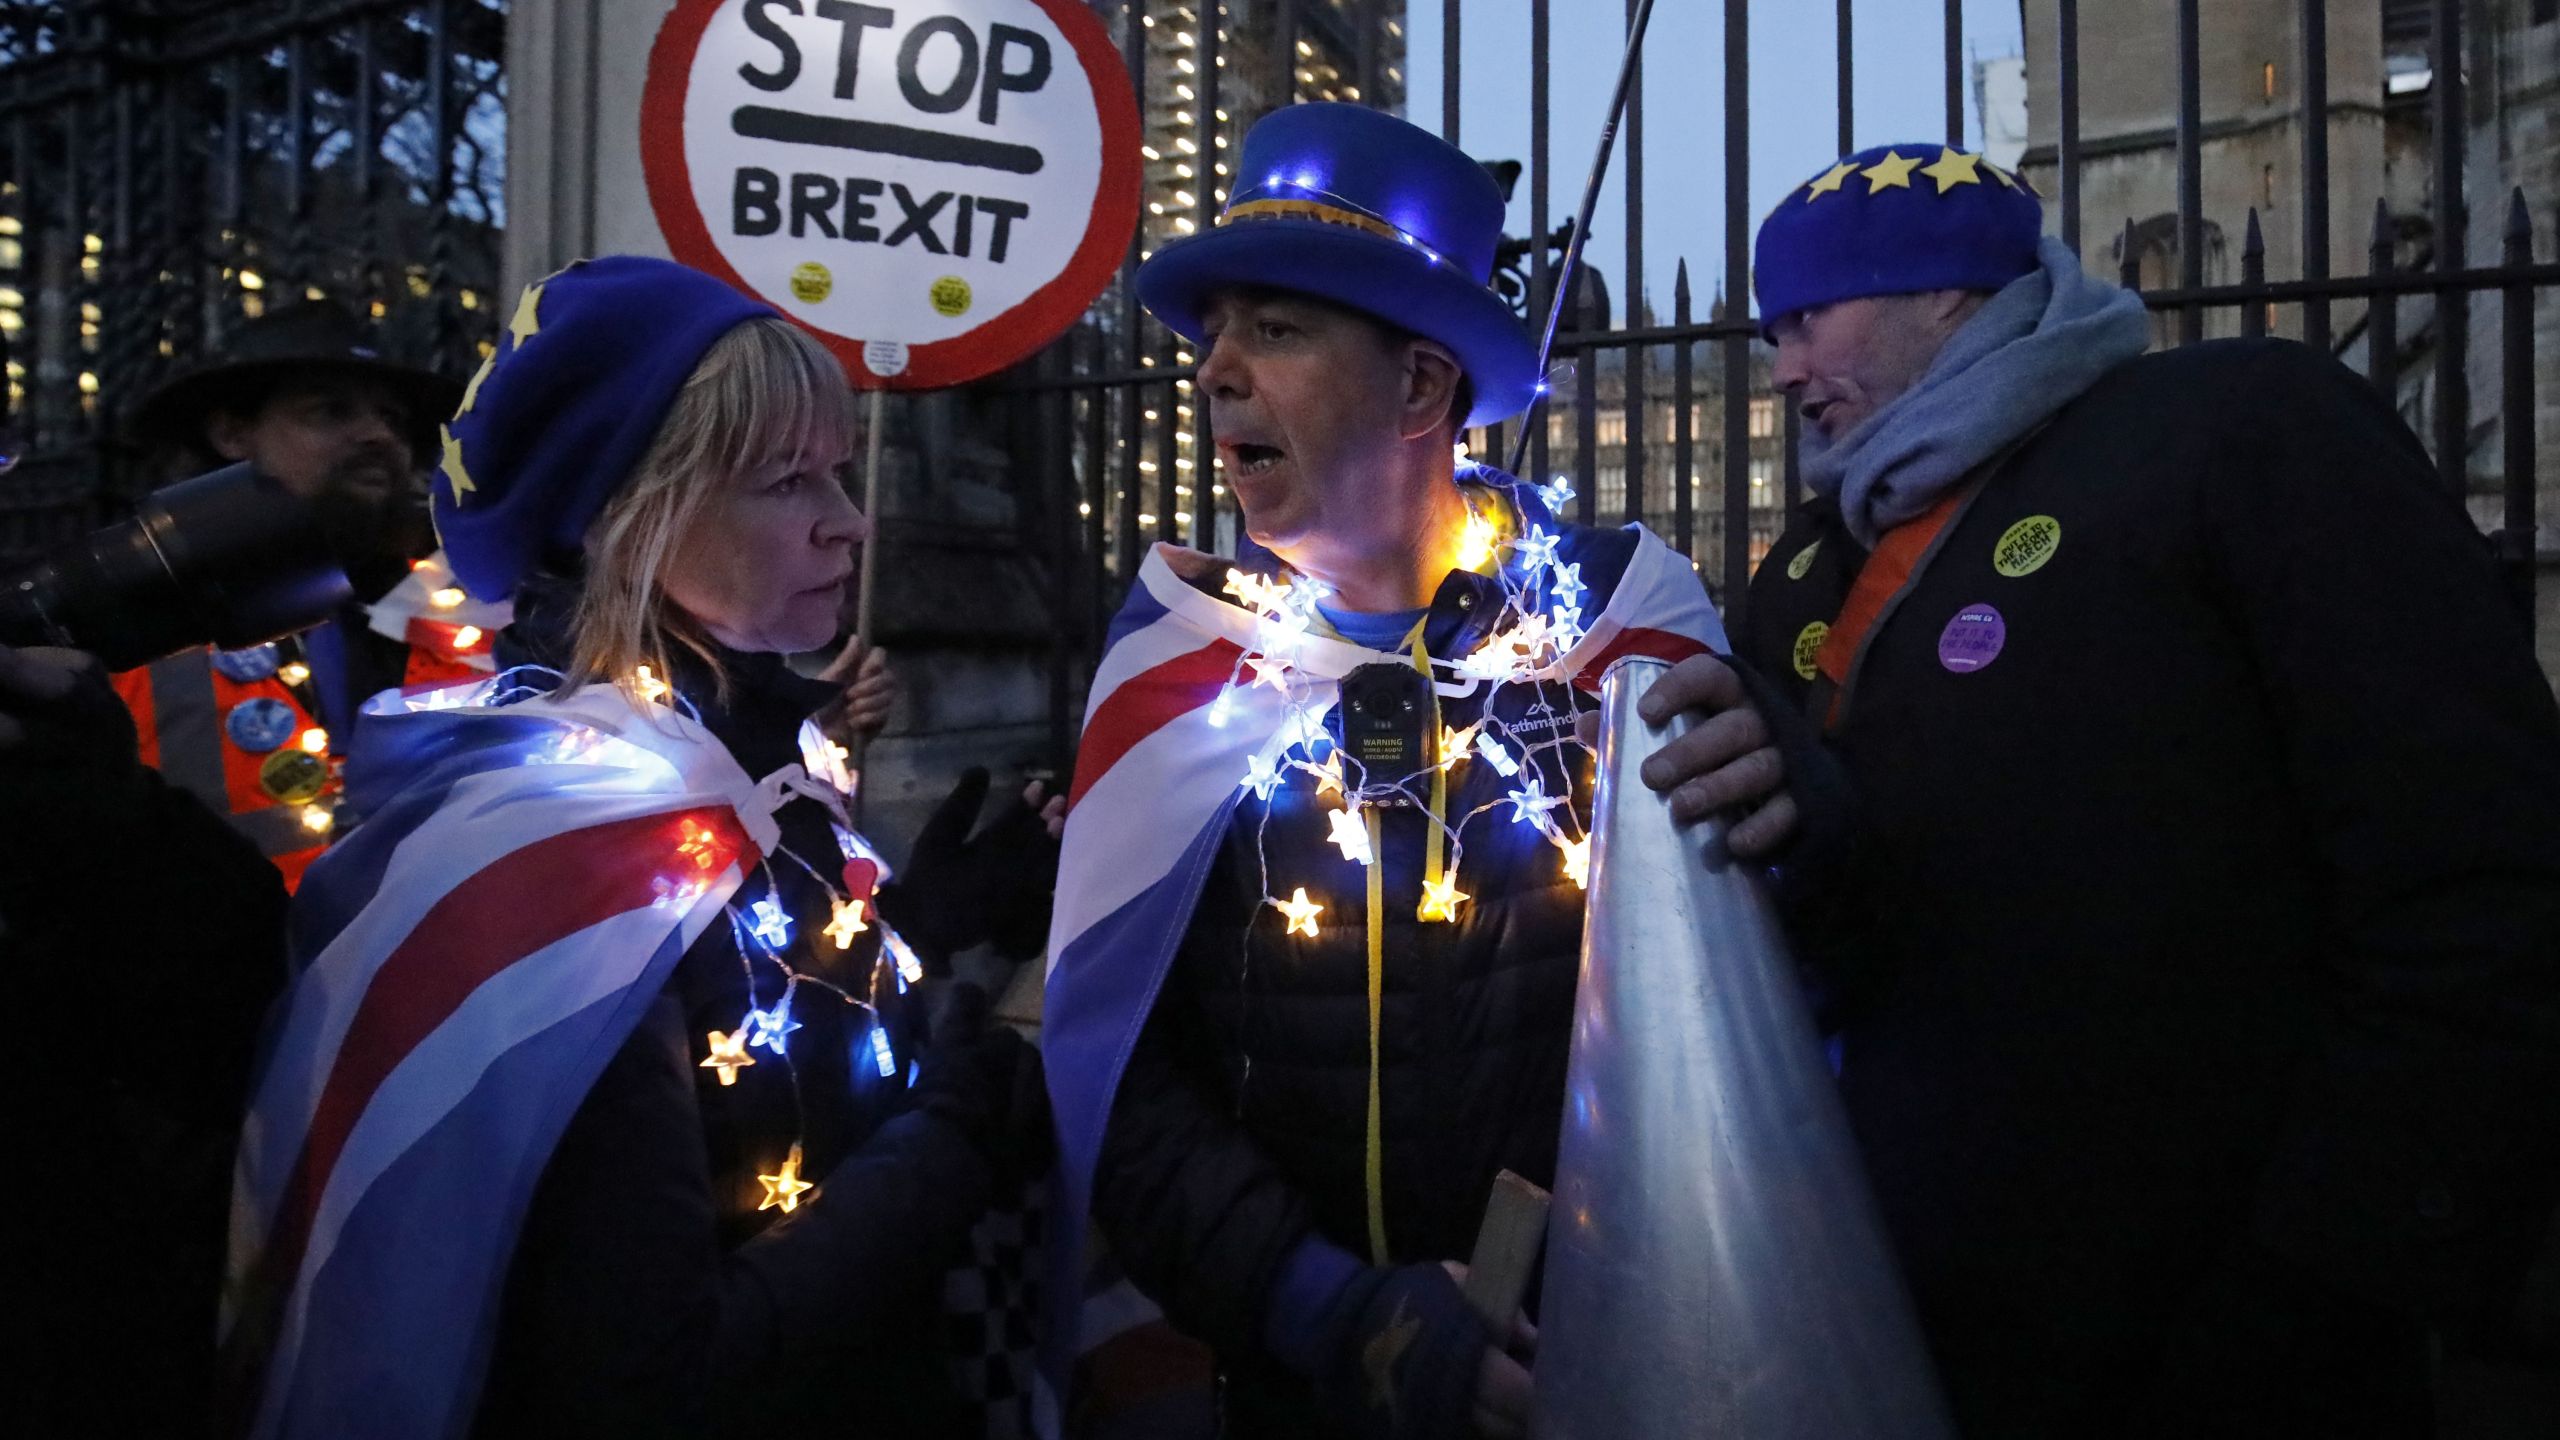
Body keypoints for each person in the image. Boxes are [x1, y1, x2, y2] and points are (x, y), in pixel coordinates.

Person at [1636, 142, 2560, 1435]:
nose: (1784, 369)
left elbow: (2474, 870)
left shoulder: (2237, 431)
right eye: (1771, 329)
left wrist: (2330, 1273)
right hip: (1905, 1327)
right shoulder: (1806, 569)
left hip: (2230, 1342)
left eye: (1812, 320)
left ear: (1950, 289)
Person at [220, 256, 1055, 1440]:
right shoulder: (561, 852)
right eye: (787, 479)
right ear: (632, 522)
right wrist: (957, 1137)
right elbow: (661, 1368)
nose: (850, 519)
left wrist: (927, 922)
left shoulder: (747, 766)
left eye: (837, 468)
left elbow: (758, 1051)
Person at [1041, 105, 1727, 1439]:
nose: (1213, 371)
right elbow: (1112, 1073)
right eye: (1215, 331)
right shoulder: (1175, 668)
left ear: (1421, 387)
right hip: (1292, 1391)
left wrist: (1807, 818)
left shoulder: (1623, 638)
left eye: (1277, 329)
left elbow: (1775, 1008)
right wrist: (1333, 1316)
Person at [114, 300, 472, 885]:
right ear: (232, 432)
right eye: (331, 411)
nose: (378, 435)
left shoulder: (471, 613)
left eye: (392, 418)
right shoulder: (139, 619)